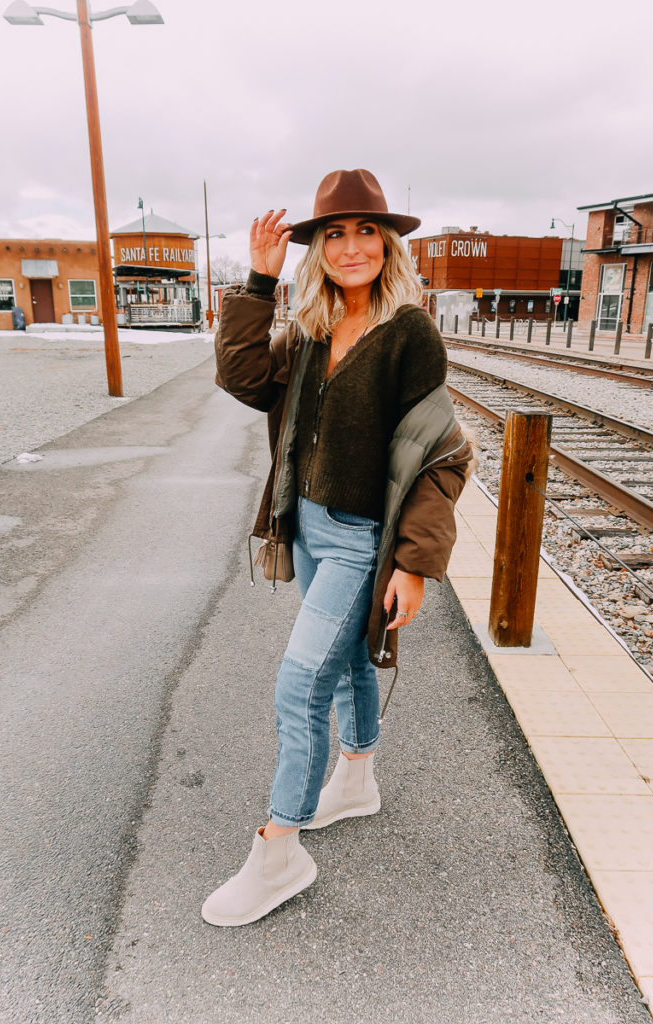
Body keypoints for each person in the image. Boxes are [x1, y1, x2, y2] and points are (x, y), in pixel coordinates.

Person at [202, 169, 473, 927]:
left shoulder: (407, 333)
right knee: (347, 659)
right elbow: (242, 376)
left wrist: (416, 564)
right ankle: (356, 777)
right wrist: (257, 279)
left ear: (387, 246)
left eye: (364, 232)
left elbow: (440, 454)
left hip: (359, 538)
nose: (350, 246)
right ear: (315, 251)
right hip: (308, 524)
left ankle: (279, 848)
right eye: (333, 233)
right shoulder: (311, 331)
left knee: (299, 687)